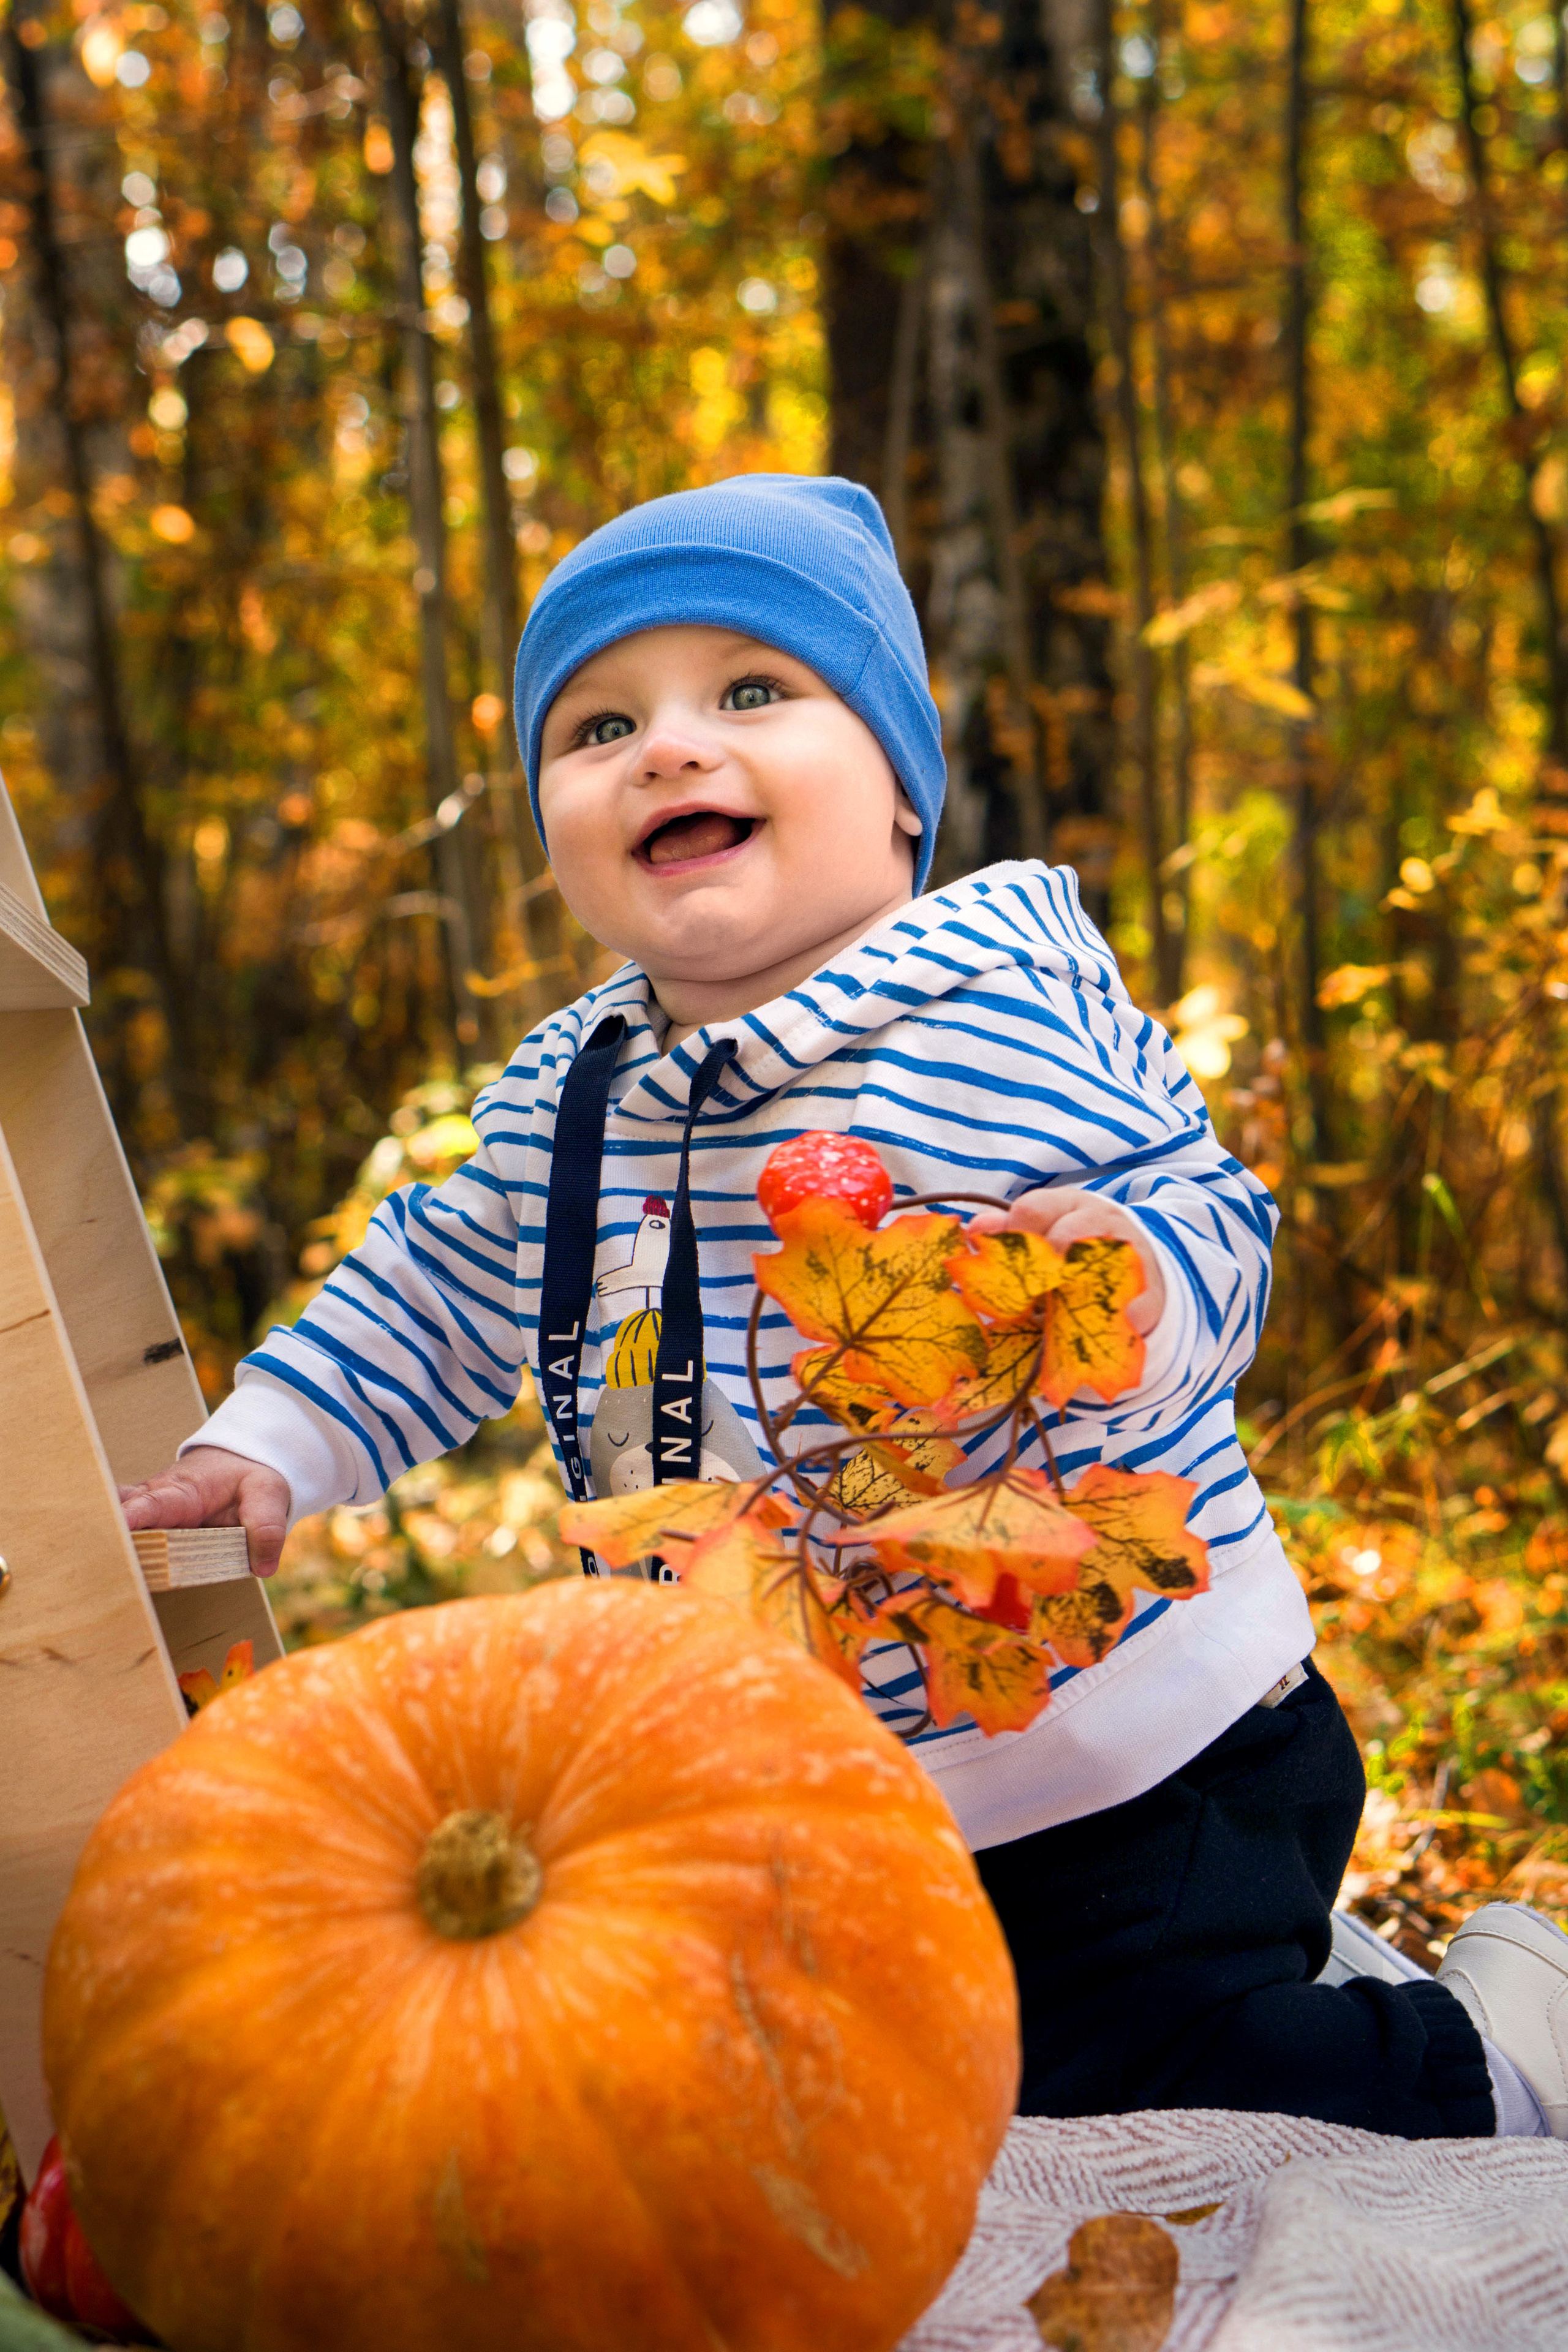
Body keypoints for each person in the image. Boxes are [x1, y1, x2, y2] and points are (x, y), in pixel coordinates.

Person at [123, 472, 1568, 2141]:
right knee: (828, 2105)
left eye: (751, 691)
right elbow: (434, 1287)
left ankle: (1495, 2060)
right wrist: (274, 1447)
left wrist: (1130, 1278)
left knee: (1137, 2083)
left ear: (897, 794)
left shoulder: (992, 1019)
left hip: (1125, 1750)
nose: (668, 746)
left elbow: (1212, 1218)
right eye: (597, 727)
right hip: (800, 1775)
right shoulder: (565, 1103)